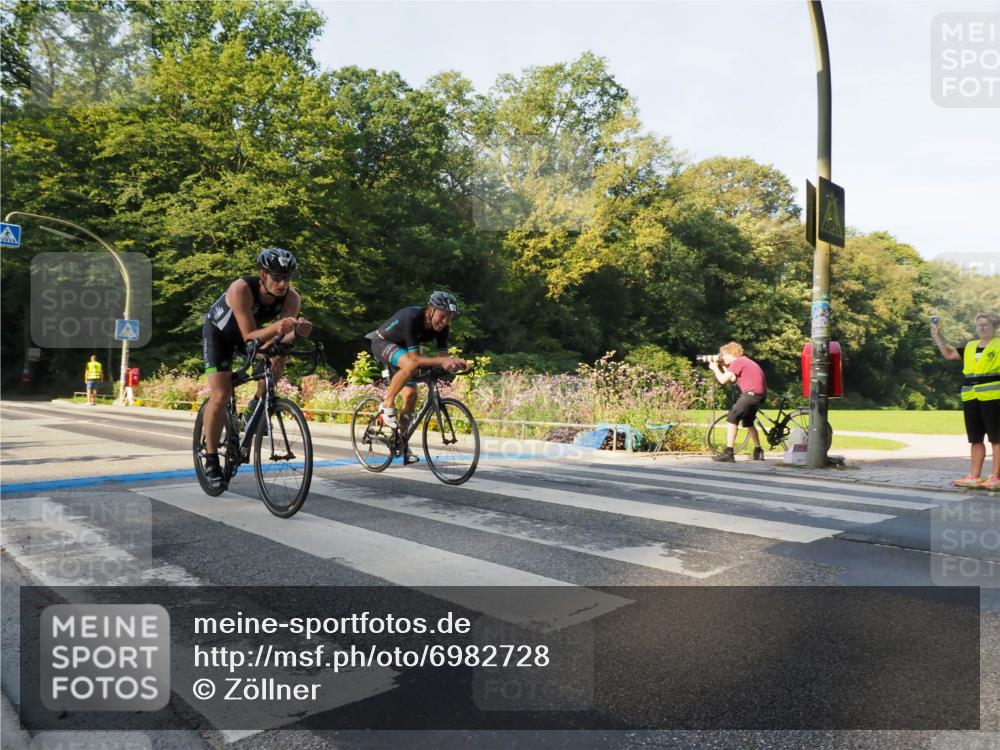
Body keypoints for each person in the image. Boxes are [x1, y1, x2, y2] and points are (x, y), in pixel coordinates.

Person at [200, 248, 313, 490]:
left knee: (278, 357)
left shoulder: (292, 298)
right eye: (276, 277)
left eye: (287, 278)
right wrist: (278, 328)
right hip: (221, 334)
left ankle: (255, 407)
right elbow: (249, 335)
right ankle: (211, 461)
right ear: (262, 275)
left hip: (253, 336)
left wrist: (296, 332)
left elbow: (281, 338)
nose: (283, 284)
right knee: (220, 395)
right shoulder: (241, 289)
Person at [367, 292, 468, 465]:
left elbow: (442, 357)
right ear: (430, 310)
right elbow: (414, 359)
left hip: (405, 351)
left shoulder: (443, 328)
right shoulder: (412, 317)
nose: (445, 322)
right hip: (383, 343)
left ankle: (402, 442)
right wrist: (443, 361)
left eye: (449, 318)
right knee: (412, 364)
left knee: (412, 395)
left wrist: (453, 365)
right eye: (442, 316)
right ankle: (386, 404)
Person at [932, 311, 1000, 490]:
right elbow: (948, 354)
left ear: (994, 327)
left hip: (994, 397)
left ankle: (995, 477)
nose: (982, 328)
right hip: (970, 396)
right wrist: (937, 337)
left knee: (997, 438)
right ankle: (975, 476)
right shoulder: (970, 346)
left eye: (986, 325)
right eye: (979, 325)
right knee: (975, 438)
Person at [706, 342, 767, 462]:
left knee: (732, 417)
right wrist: (723, 367)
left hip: (750, 394)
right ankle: (758, 451)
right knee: (748, 422)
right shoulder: (744, 361)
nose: (721, 357)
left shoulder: (738, 361)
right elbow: (733, 378)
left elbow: (723, 380)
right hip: (758, 395)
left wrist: (714, 368)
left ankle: (729, 453)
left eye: (723, 355)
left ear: (731, 354)